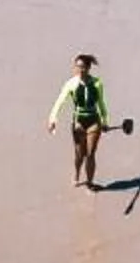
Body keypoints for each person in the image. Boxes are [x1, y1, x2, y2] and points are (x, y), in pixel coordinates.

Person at [45, 53, 111, 190]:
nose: (79, 70)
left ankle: (90, 182)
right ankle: (77, 174)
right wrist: (53, 119)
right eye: (77, 67)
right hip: (79, 123)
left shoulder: (97, 83)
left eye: (82, 67)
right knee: (80, 154)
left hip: (94, 121)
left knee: (91, 153)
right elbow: (60, 101)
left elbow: (101, 103)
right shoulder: (71, 84)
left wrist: (105, 121)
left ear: (88, 68)